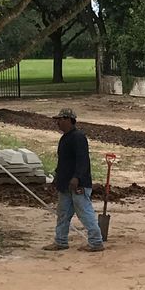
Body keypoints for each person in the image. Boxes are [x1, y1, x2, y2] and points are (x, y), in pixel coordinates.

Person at [44, 107, 105, 252]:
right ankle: (60, 241)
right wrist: (57, 177)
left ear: (68, 120)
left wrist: (77, 177)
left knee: (84, 212)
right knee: (63, 214)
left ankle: (96, 242)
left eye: (59, 120)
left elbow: (82, 160)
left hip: (78, 184)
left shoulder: (78, 137)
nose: (57, 123)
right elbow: (63, 162)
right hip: (65, 184)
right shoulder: (65, 138)